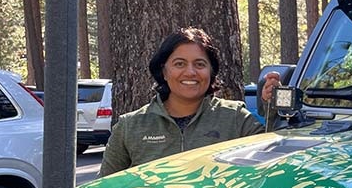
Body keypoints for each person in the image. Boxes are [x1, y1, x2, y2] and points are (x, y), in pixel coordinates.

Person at [99, 27, 280, 176]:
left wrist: (271, 108)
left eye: (200, 64)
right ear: (164, 71)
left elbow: (274, 163)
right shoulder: (130, 126)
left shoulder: (235, 119)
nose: (190, 72)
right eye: (179, 64)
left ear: (211, 72)